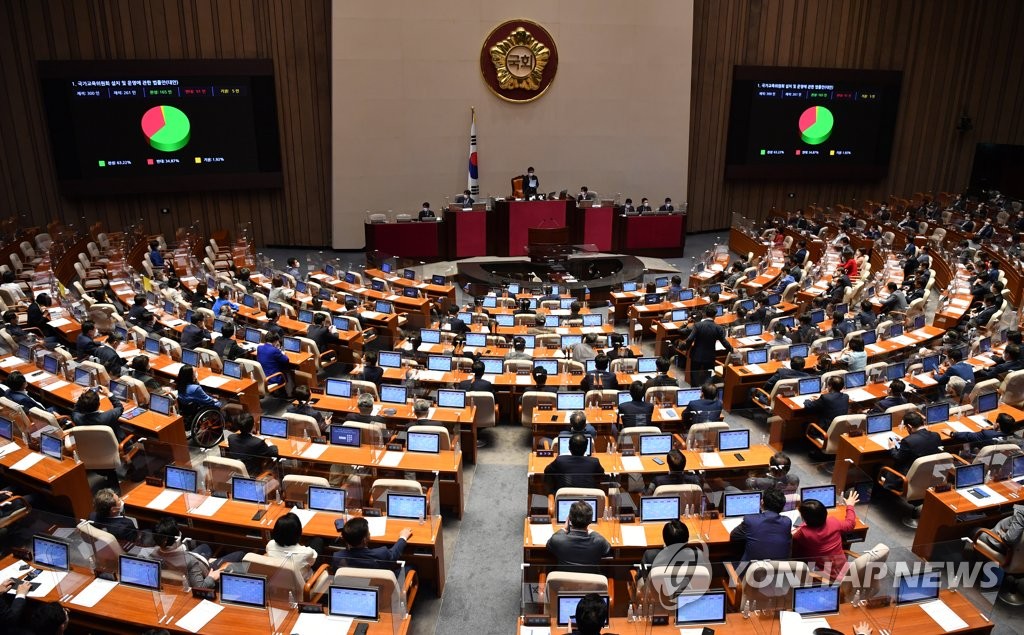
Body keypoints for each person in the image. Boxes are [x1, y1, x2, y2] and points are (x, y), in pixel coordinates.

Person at [151, 517, 245, 589]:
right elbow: (199, 587)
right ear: (177, 539)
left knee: (206, 547)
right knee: (240, 554)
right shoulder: (190, 562)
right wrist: (211, 577)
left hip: (181, 562)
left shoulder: (151, 552)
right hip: (207, 571)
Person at [792, 491, 860, 580]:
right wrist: (850, 505)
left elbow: (792, 545)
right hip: (845, 570)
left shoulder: (803, 533)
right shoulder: (833, 522)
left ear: (804, 518)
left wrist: (800, 527)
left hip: (826, 577)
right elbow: (850, 523)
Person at [729, 488, 792, 561]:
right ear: (782, 507)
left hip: (752, 569)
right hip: (779, 569)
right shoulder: (787, 522)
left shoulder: (750, 520)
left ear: (762, 503)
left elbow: (734, 536)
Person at [546, 500, 611, 568]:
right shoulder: (599, 541)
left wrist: (564, 528)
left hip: (564, 578)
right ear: (590, 521)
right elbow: (607, 549)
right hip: (590, 578)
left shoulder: (557, 540)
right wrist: (591, 531)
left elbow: (548, 546)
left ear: (569, 519)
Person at [333, 516, 412, 571]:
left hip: (355, 586)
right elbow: (394, 554)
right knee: (411, 567)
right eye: (368, 532)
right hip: (382, 586)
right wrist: (403, 537)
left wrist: (348, 536)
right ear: (364, 540)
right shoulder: (381, 553)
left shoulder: (337, 557)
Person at [266, 513, 324, 580]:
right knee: (318, 541)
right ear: (299, 532)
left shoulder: (270, 544)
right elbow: (312, 563)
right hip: (304, 585)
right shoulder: (307, 552)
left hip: (277, 582)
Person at [686, 306, 732, 386]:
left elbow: (689, 339)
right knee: (709, 376)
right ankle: (708, 391)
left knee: (694, 375)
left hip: (696, 355)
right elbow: (724, 342)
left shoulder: (698, 325)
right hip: (710, 356)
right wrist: (732, 349)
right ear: (715, 316)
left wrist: (687, 348)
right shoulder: (719, 328)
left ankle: (694, 389)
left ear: (705, 314)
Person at [887, 411, 941, 478]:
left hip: (910, 477)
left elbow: (898, 458)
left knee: (878, 467)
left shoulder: (907, 441)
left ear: (909, 426)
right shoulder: (936, 435)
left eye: (906, 427)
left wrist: (892, 448)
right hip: (931, 473)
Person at [951, 412, 1024, 452]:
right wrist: (994, 428)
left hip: (987, 462)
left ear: (998, 425)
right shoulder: (1019, 440)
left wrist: (952, 433)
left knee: (963, 448)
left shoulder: (987, 434)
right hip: (1003, 463)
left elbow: (968, 436)